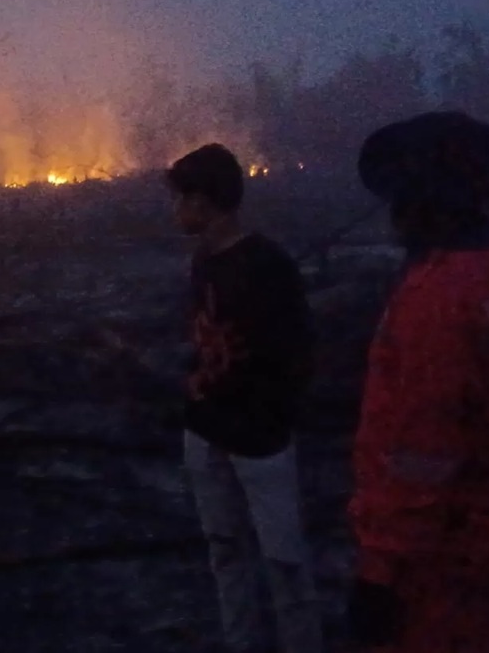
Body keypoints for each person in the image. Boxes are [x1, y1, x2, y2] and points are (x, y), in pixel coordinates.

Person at [348, 111, 489, 652]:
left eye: (400, 198)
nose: (393, 215)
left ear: (427, 201)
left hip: (427, 569)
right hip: (479, 541)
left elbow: (419, 452)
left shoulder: (438, 301)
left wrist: (380, 576)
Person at [165, 144, 322, 653]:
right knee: (226, 551)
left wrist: (271, 413)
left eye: (182, 199)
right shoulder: (204, 261)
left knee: (284, 563)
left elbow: (297, 353)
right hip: (208, 433)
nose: (176, 210)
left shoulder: (266, 266)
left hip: (259, 440)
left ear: (205, 201)